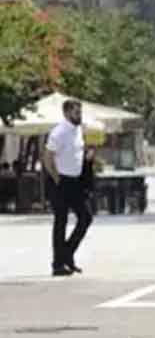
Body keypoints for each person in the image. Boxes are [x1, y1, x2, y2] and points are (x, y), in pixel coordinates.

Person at [42, 99, 93, 277]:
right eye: (76, 112)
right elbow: (48, 157)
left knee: (86, 217)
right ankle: (58, 264)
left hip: (76, 182)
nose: (79, 115)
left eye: (80, 112)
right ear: (66, 113)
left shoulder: (78, 130)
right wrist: (56, 177)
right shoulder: (59, 132)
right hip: (61, 181)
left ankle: (67, 254)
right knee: (61, 221)